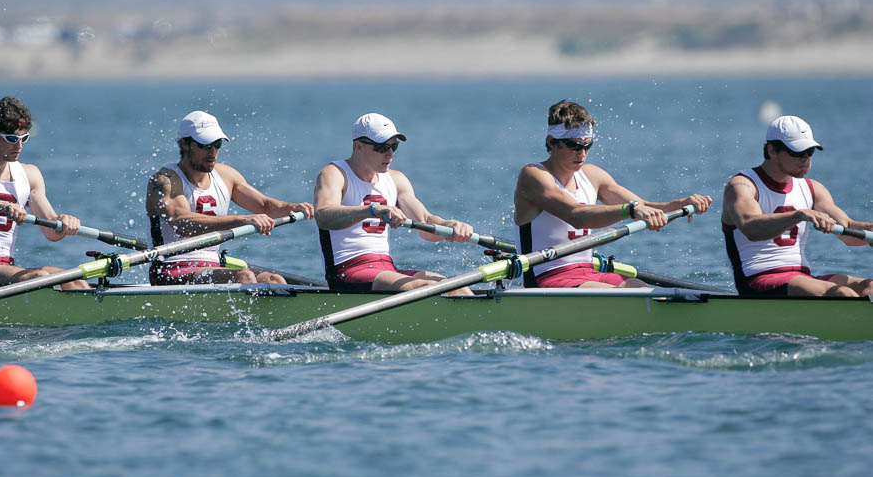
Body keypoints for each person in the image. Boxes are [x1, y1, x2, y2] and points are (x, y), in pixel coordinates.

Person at [513, 100, 712, 288]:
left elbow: (643, 206)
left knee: (642, 289)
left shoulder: (593, 175)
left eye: (587, 145)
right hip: (547, 277)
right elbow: (576, 216)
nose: (582, 153)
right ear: (551, 142)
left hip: (588, 271)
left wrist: (680, 204)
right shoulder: (534, 175)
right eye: (575, 145)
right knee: (628, 298)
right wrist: (630, 210)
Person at [314, 112, 477, 295]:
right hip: (348, 272)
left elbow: (424, 221)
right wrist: (372, 210)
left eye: (394, 146)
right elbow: (323, 216)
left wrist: (449, 225)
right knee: (428, 290)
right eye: (382, 147)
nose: (390, 154)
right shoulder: (335, 173)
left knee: (456, 287)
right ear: (358, 146)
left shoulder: (396, 180)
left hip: (386, 269)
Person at [146, 110, 314, 284]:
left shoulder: (226, 175)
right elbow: (183, 223)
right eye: (205, 145)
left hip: (211, 265)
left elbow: (265, 206)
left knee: (274, 280)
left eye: (217, 144)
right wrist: (240, 220)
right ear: (184, 144)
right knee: (245, 276)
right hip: (170, 269)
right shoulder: (164, 181)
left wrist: (294, 208)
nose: (212, 151)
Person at [0, 96, 87, 290]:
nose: (19, 146)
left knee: (75, 279)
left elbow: (51, 232)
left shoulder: (30, 174)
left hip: (4, 269)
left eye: (23, 138)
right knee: (40, 276)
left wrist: (64, 222)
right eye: (11, 139)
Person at [721, 115, 873, 297]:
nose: (805, 159)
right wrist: (798, 215)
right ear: (772, 151)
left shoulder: (812, 189)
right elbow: (751, 228)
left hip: (801, 278)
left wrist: (870, 230)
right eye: (797, 153)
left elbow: (849, 232)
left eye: (809, 153)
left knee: (869, 287)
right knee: (843, 294)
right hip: (757, 282)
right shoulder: (742, 186)